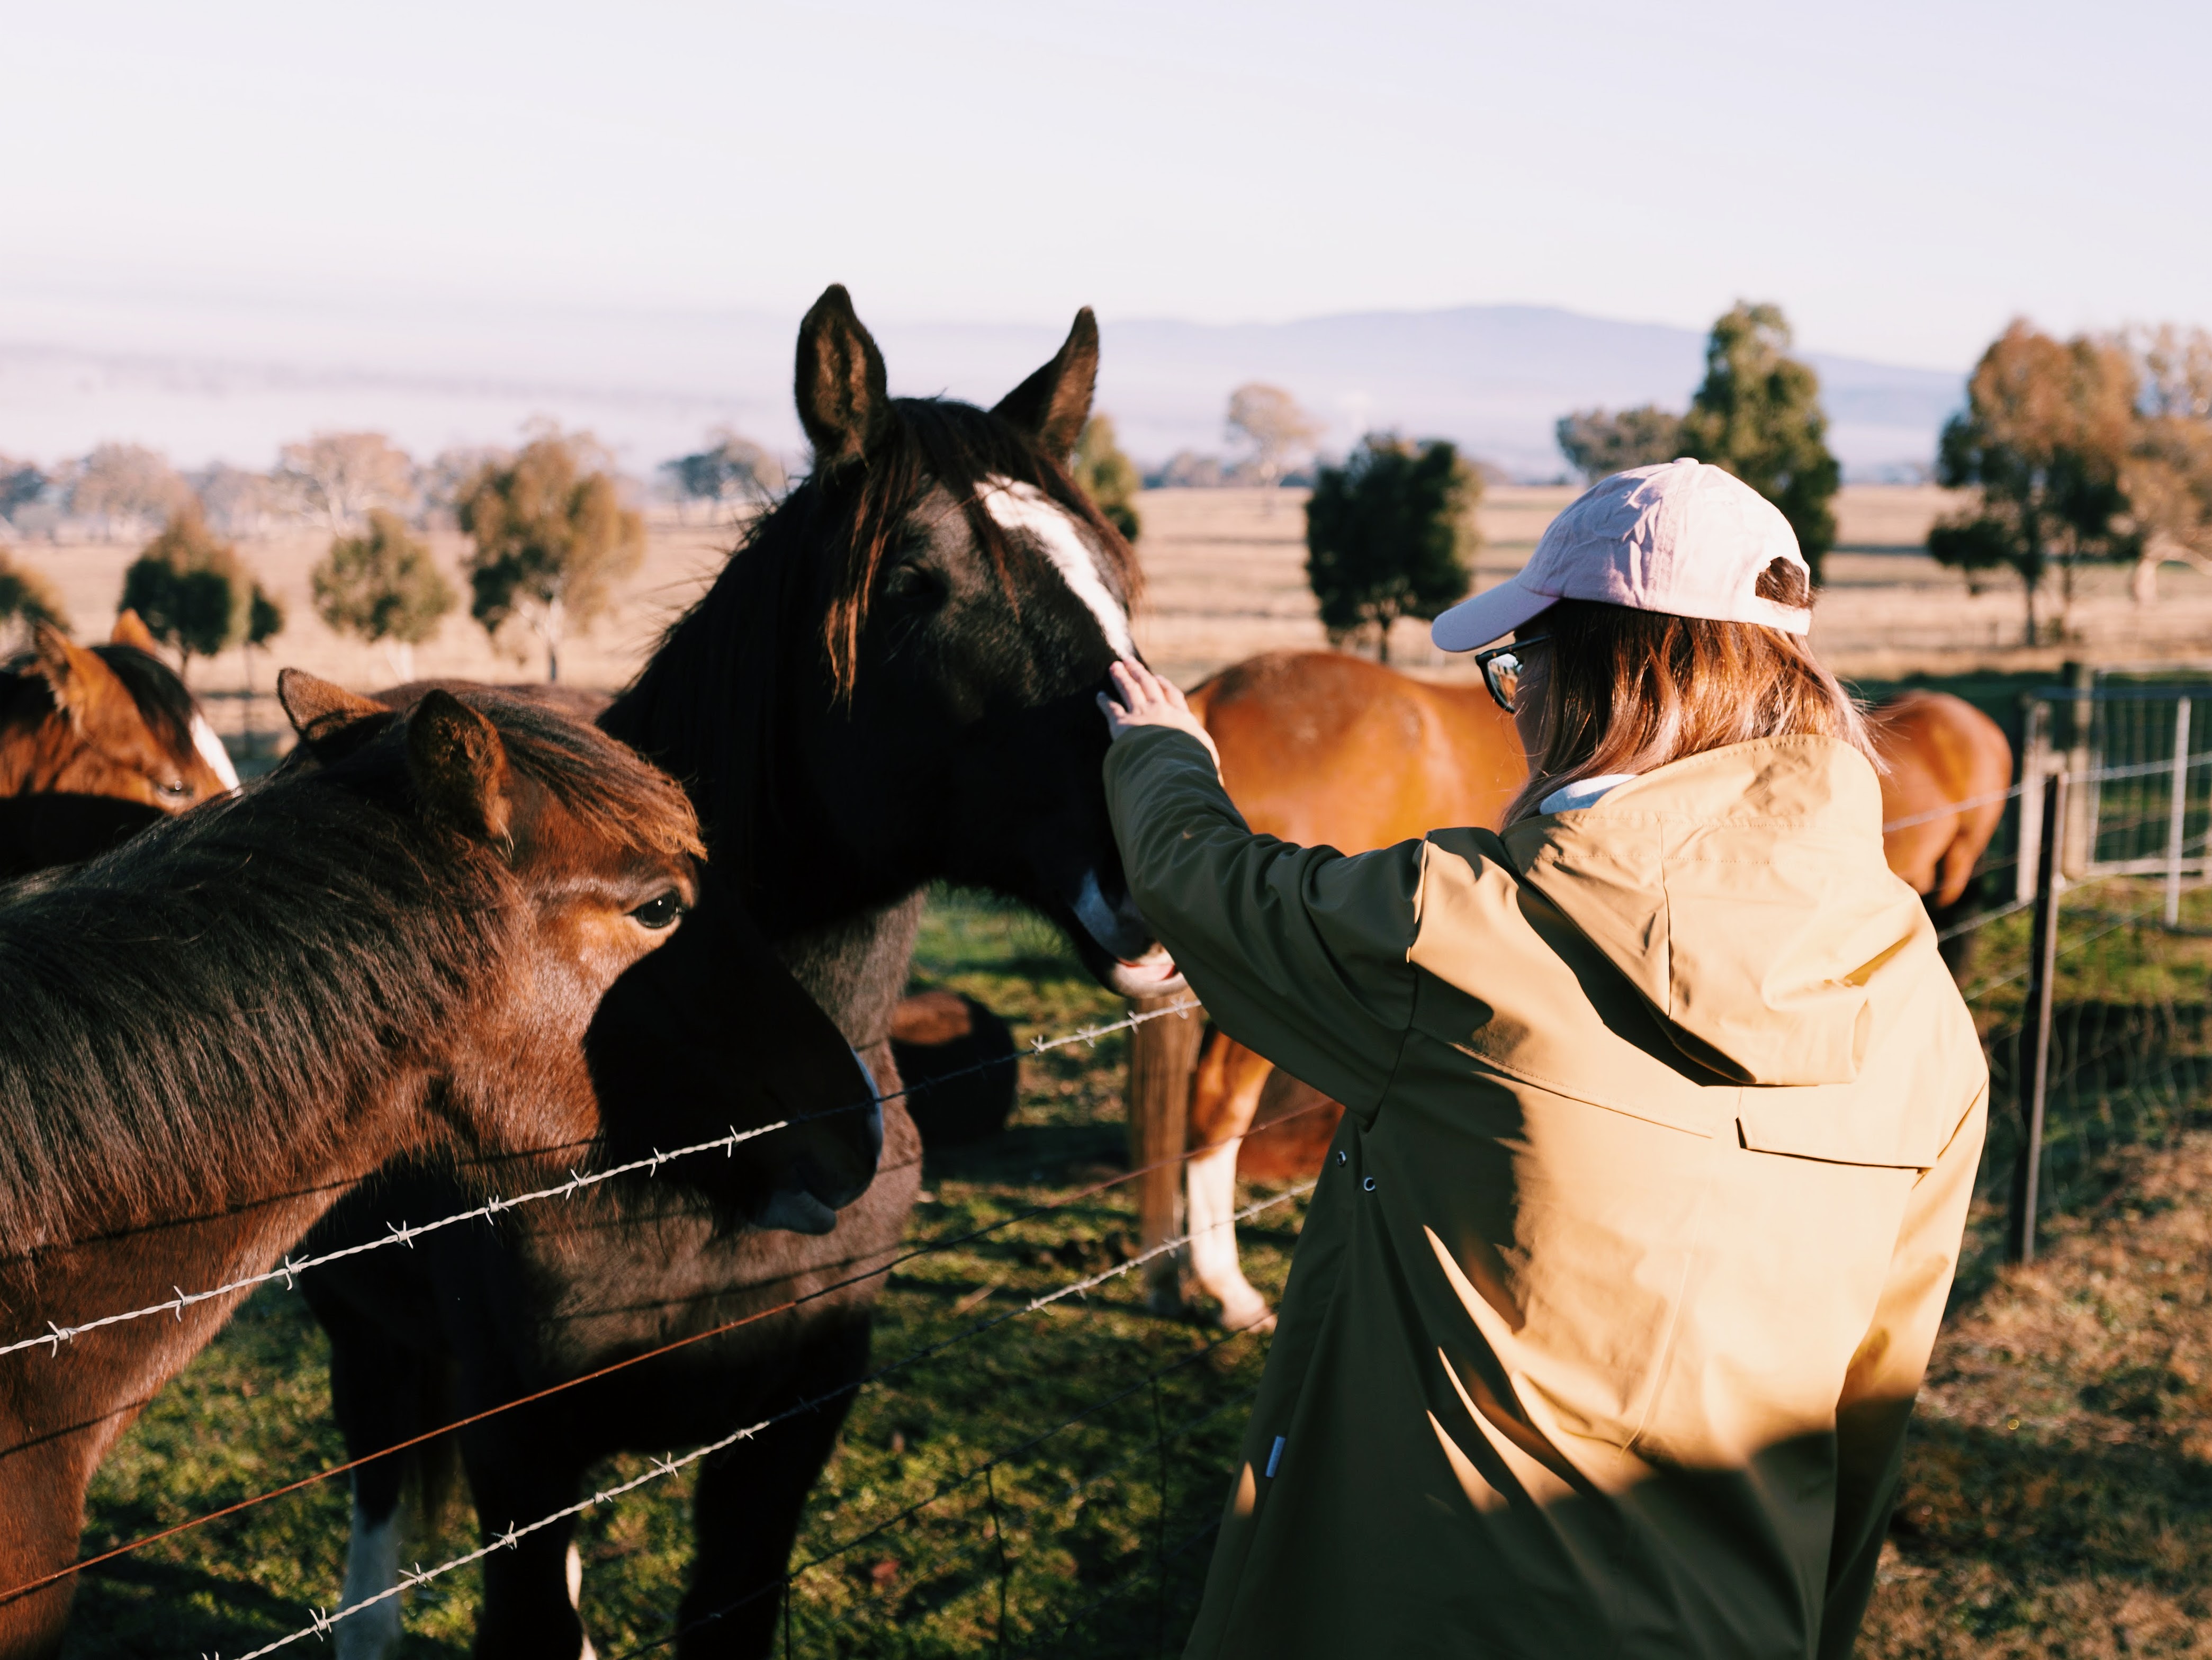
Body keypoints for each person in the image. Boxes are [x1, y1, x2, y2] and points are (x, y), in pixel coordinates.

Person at [1098, 459, 1988, 1659]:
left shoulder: (1462, 931)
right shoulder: (1926, 1013)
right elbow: (1868, 1415)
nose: (1511, 710)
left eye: (1517, 672)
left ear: (1607, 679)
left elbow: (1203, 886)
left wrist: (1162, 751)